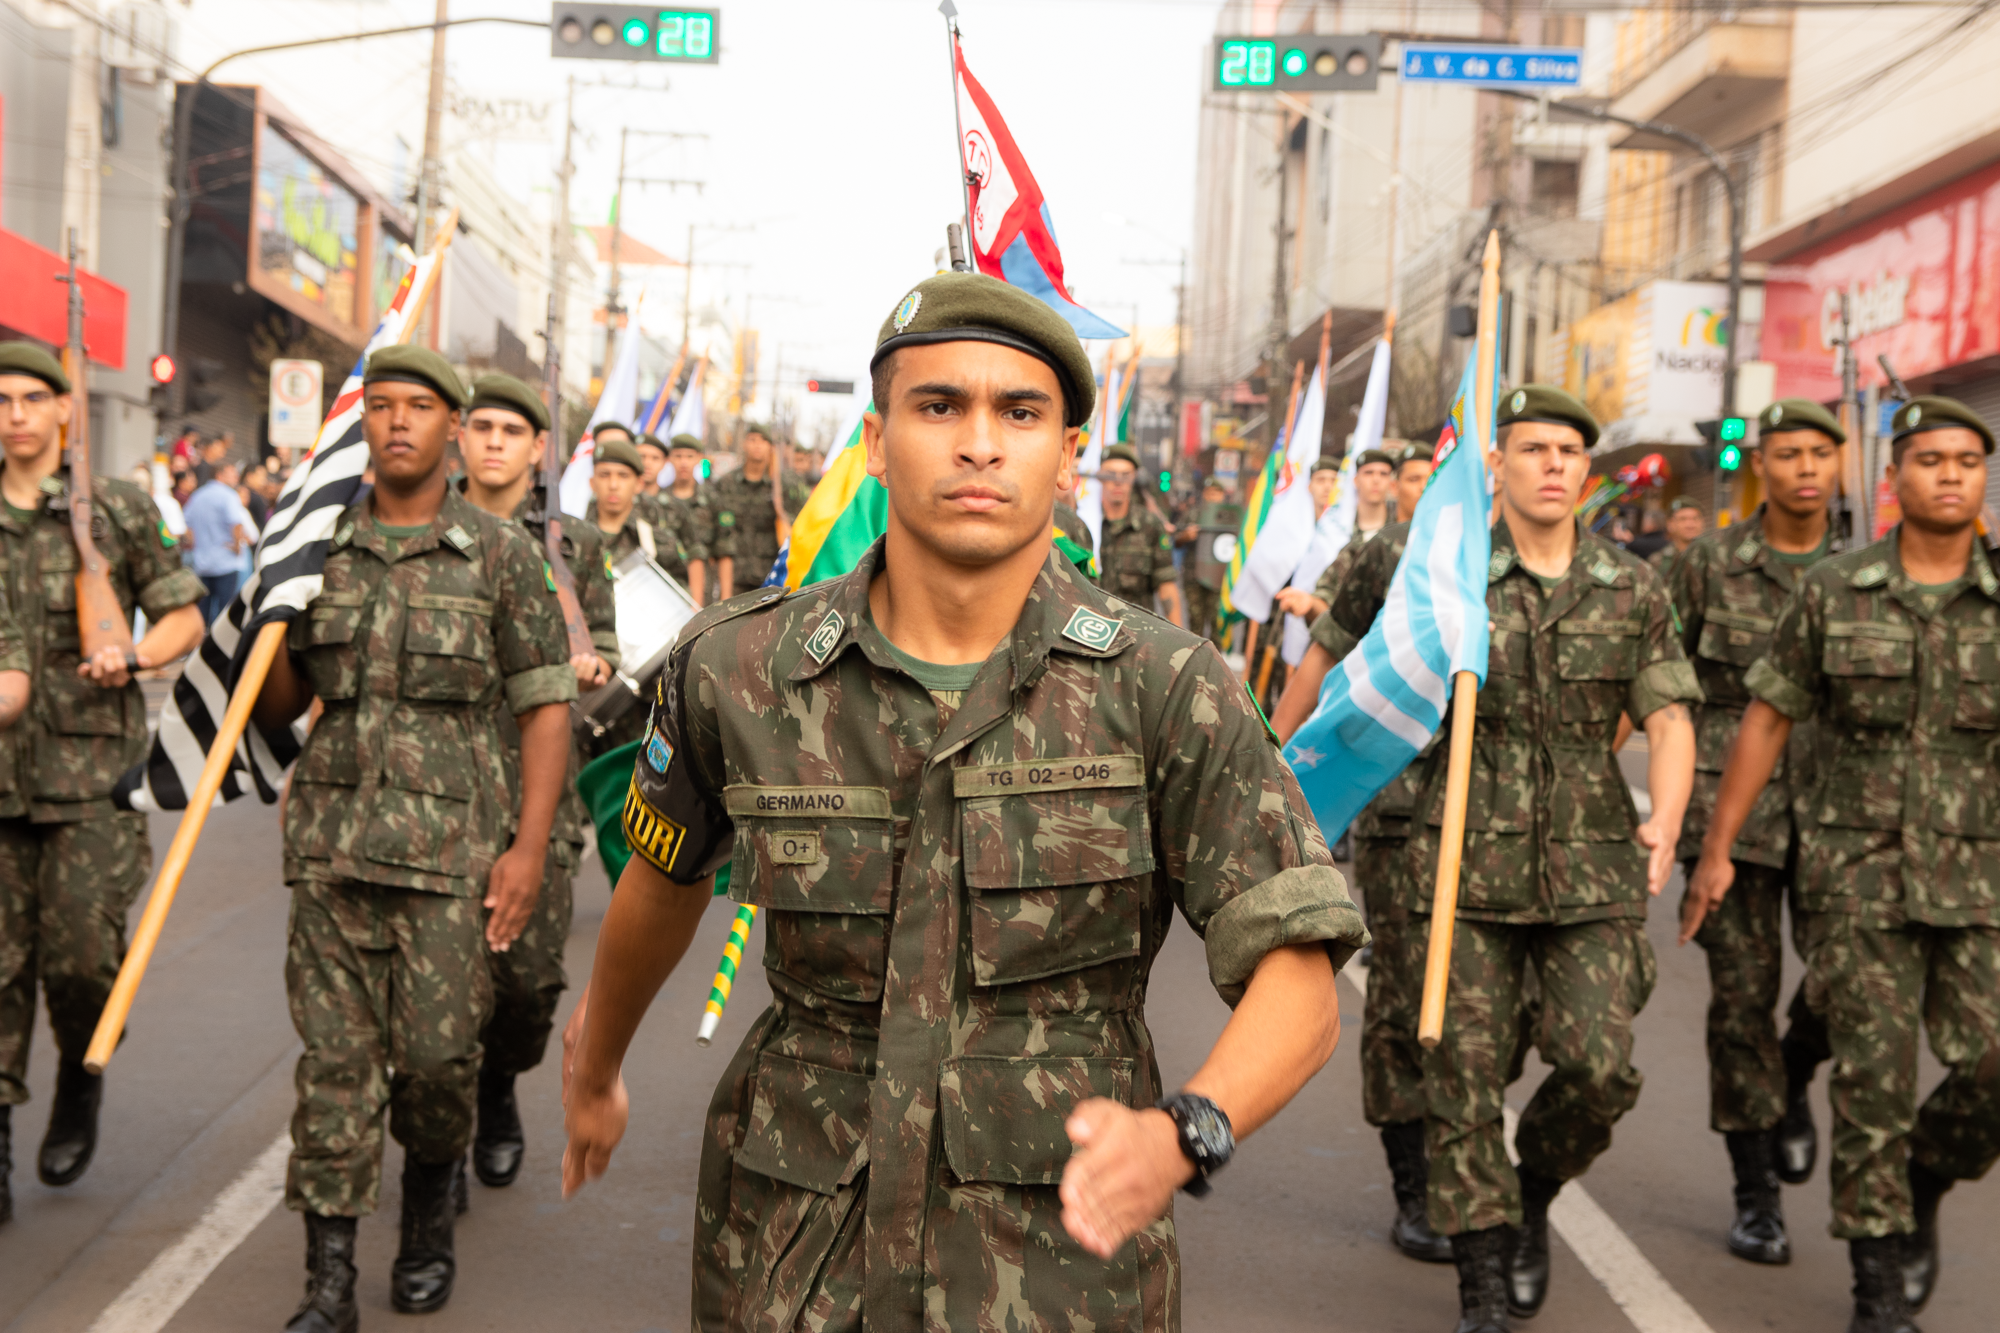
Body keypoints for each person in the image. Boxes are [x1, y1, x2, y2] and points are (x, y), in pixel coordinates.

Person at [561, 271, 1367, 1330]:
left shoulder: (1164, 688)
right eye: (938, 405)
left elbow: (1297, 978)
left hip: (1051, 1273)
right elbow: (662, 881)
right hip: (795, 1247)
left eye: (1019, 411)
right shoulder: (737, 670)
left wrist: (1183, 1134)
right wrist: (598, 1064)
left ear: (1067, 452)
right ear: (879, 438)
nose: (978, 442)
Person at [1312, 386, 1699, 1331]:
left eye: (1571, 449)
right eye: (1535, 448)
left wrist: (1670, 819)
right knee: (1462, 1073)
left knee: (1598, 1065)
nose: (1556, 464)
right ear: (1501, 464)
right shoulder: (1445, 579)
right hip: (1457, 865)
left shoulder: (1629, 585)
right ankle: (1482, 1278)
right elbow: (1352, 675)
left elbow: (1670, 714)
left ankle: (1533, 1193)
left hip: (1591, 871)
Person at [250, 345, 578, 1330]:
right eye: (381, 406)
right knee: (336, 1070)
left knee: (438, 1061)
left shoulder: (501, 555)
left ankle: (428, 1212)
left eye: (419, 407)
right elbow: (284, 703)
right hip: (334, 849)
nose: (397, 422)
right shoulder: (317, 550)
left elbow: (544, 708)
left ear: (451, 427)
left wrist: (525, 850)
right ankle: (329, 1285)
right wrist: (270, 609)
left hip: (451, 859)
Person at [1688, 394, 2000, 1333]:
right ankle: (1870, 1285)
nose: (1950, 475)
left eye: (1968, 461)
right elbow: (1762, 711)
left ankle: (1922, 1178)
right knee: (1872, 1074)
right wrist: (1708, 843)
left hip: (1975, 876)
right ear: (1897, 477)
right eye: (1931, 459)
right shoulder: (1834, 587)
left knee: (1987, 1063)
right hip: (1853, 864)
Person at [0, 341, 204, 1220]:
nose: (13, 415)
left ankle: (80, 1079)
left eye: (30, 398)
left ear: (63, 411)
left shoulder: (115, 509)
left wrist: (135, 654)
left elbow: (184, 613)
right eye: (0, 399)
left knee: (85, 960)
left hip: (88, 778)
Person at [1666, 397, 1844, 1269]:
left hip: (1848, 813)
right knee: (1741, 1003)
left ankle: (1798, 1065)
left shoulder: (1861, 571)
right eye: (1787, 452)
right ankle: (1757, 1195)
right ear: (1759, 466)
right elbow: (1656, 672)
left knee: (1848, 982)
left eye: (1820, 452)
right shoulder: (1708, 565)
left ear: (1840, 464)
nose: (1805, 466)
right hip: (1727, 816)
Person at [1268, 438, 1453, 1264]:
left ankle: (1486, 1163)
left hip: (1510, 822)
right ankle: (1419, 1182)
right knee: (1409, 988)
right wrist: (1270, 770)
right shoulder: (1387, 555)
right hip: (1401, 802)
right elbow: (1326, 656)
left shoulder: (1528, 558)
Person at [456, 372, 618, 1196]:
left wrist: (589, 666)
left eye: (509, 430)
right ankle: (439, 1147)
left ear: (537, 447)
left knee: (526, 985)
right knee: (441, 993)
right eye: (479, 425)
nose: (492, 441)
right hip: (440, 792)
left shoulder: (576, 546)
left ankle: (496, 1082)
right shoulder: (426, 524)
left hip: (535, 792)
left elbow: (611, 658)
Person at [1273, 449, 1402, 627]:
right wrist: (1310, 604)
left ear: (1393, 483)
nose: (1376, 480)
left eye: (1383, 474)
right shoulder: (1335, 534)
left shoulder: (1400, 532)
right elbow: (1327, 594)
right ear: (1355, 481)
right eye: (1369, 473)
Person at [709, 423, 810, 597]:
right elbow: (720, 535)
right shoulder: (726, 483)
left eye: (763, 441)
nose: (757, 445)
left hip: (773, 577)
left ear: (771, 447)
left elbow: (799, 530)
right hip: (735, 577)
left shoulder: (786, 486)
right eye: (752, 439)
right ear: (743, 444)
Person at [1093, 443, 1184, 626]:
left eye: (1126, 475)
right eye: (1110, 474)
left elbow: (1166, 585)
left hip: (1136, 635)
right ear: (1100, 476)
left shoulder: (1149, 526)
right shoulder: (1085, 523)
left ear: (1134, 477)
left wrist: (1181, 638)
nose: (1118, 481)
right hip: (1089, 631)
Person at [182, 458, 256, 623]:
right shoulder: (228, 495)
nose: (236, 478)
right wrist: (236, 546)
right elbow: (236, 523)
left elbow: (186, 524)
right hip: (225, 562)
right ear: (220, 475)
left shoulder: (198, 495)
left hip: (202, 563)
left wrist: (196, 543)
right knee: (224, 613)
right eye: (232, 474)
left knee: (202, 614)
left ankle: (199, 645)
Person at [587, 436, 670, 568]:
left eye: (623, 475)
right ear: (592, 483)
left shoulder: (654, 540)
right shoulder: (573, 537)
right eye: (604, 475)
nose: (613, 485)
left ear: (639, 484)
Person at [1181, 477, 1238, 646]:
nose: (1213, 497)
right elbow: (1175, 540)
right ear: (1204, 494)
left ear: (1222, 495)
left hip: (1219, 577)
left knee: (1217, 622)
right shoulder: (1194, 513)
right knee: (1195, 622)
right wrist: (1186, 536)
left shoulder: (1230, 515)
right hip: (1194, 575)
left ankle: (1215, 663)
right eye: (1210, 493)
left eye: (1216, 493)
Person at [657, 433, 713, 605]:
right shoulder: (657, 500)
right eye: (678, 456)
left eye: (690, 456)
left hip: (705, 589)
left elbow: (724, 551)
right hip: (663, 588)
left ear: (699, 459)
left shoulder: (712, 499)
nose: (683, 462)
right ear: (669, 459)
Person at [1651, 497, 1705, 573]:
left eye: (1695, 518)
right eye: (1683, 519)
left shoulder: (1715, 558)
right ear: (1670, 524)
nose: (1690, 525)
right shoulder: (1658, 562)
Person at [635, 431, 670, 505]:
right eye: (642, 456)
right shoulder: (621, 500)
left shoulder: (672, 504)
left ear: (664, 462)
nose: (647, 463)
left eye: (655, 458)